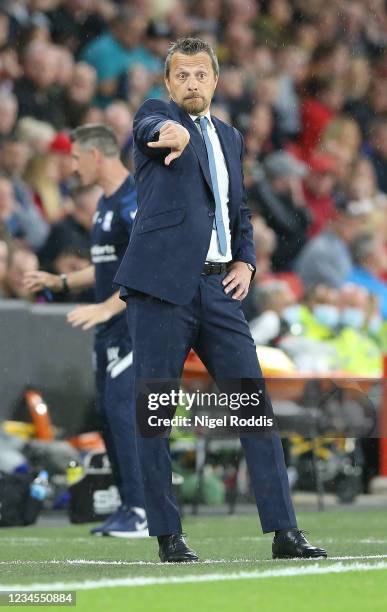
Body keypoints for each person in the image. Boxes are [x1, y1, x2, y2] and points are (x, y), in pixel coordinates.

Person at [115, 37, 326, 562]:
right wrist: (168, 133)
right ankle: (168, 535)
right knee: (157, 413)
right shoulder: (155, 114)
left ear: (214, 80)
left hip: (218, 290)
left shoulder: (230, 137)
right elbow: (149, 131)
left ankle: (285, 533)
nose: (191, 83)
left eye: (200, 75)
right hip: (162, 289)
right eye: (181, 76)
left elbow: (240, 210)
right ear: (168, 84)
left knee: (254, 407)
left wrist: (246, 260)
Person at [24, 124, 147, 538]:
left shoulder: (134, 203)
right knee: (110, 418)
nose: (72, 166)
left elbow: (146, 272)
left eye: (77, 158)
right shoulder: (105, 204)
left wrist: (106, 306)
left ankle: (143, 508)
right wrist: (59, 283)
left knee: (121, 412)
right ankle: (130, 505)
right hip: (108, 325)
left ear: (97, 156)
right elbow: (108, 267)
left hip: (131, 325)